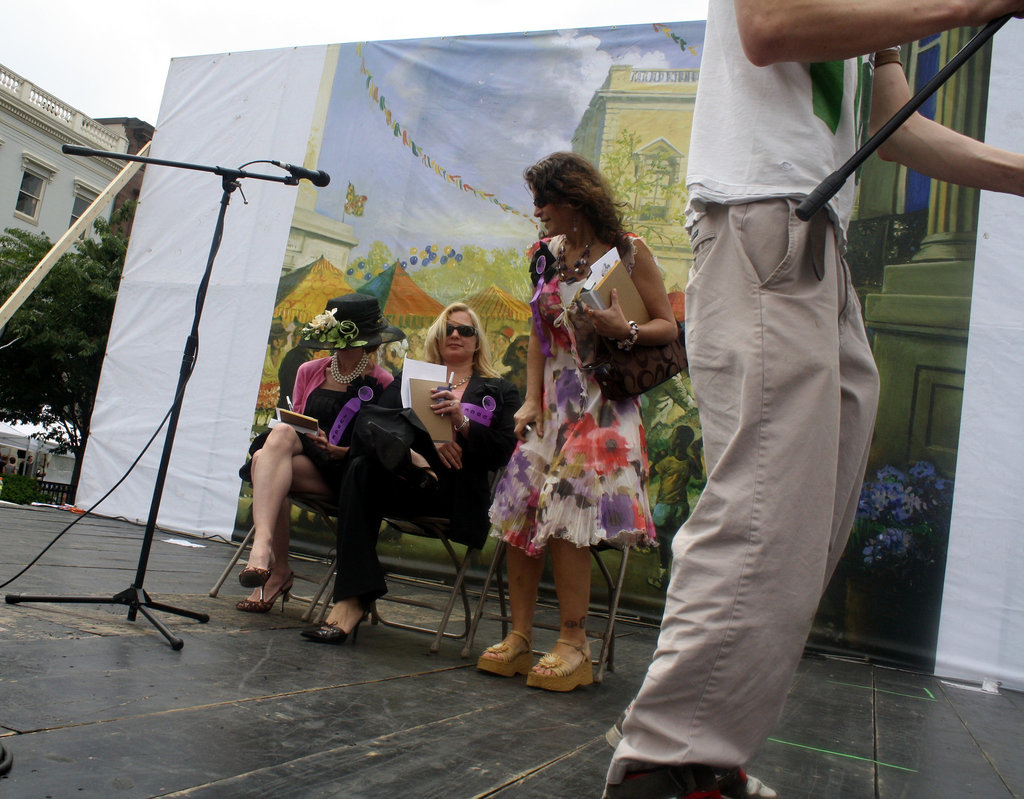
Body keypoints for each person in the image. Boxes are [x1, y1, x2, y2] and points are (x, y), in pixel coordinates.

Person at [604, 3, 1024, 797]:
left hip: (815, 237)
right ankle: (658, 762)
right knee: (763, 501)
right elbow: (770, 27)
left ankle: (704, 752)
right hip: (759, 220)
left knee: (808, 514)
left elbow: (898, 128)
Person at [477, 152, 678, 691]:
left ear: (574, 201)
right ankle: (520, 637)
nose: (537, 211)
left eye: (545, 201)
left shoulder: (629, 252)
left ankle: (574, 642)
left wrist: (625, 326)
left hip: (604, 407)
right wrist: (529, 399)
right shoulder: (544, 254)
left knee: (567, 509)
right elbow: (539, 332)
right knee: (521, 509)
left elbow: (667, 327)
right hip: (553, 404)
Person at [301, 302, 520, 643]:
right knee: (362, 461)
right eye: (449, 329)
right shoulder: (411, 378)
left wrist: (460, 422)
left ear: (478, 342)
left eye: (466, 330)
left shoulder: (501, 390)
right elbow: (369, 422)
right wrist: (428, 438)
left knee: (361, 467)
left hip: (454, 491)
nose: (456, 335)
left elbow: (504, 451)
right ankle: (352, 598)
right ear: (436, 337)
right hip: (405, 480)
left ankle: (353, 597)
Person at [236, 294, 405, 613]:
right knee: (280, 437)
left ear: (367, 341)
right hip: (302, 454)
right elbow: (295, 420)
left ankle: (273, 566)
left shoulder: (382, 382)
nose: (342, 345)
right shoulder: (309, 370)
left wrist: (340, 450)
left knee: (262, 463)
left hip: (344, 471)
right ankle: (266, 557)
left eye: (349, 339)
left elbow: (376, 444)